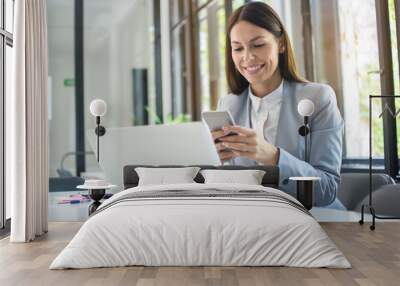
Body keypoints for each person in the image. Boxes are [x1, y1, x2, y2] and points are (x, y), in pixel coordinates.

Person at [212, 2, 344, 208]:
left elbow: (327, 189)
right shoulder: (228, 104)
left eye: (258, 45)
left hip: (314, 220)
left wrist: (273, 156)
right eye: (238, 48)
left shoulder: (319, 98)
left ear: (281, 44)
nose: (247, 57)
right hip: (253, 219)